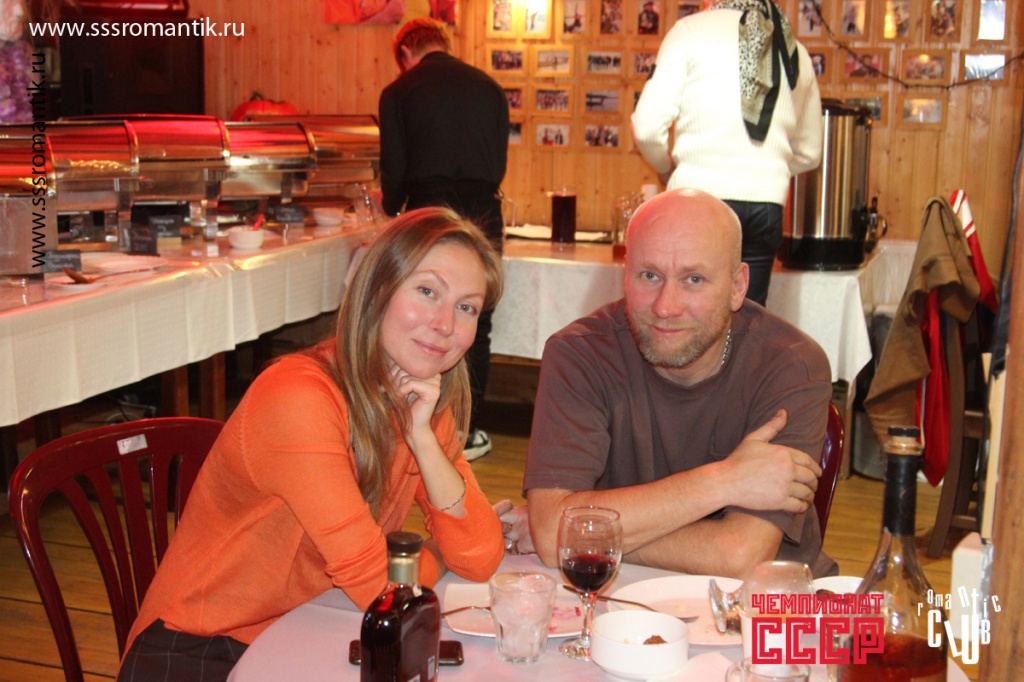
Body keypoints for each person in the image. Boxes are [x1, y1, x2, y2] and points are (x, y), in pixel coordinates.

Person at [117, 208, 505, 681]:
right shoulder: (298, 397)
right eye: (427, 291)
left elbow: (481, 556)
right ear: (376, 289)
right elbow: (380, 588)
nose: (445, 324)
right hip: (201, 649)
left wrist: (423, 439)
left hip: (307, 634)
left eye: (466, 307)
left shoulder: (419, 398)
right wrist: (433, 555)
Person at [500, 189, 836, 579]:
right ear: (625, 274)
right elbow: (551, 534)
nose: (665, 307)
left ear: (737, 286)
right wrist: (724, 480)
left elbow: (738, 556)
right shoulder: (579, 354)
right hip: (620, 599)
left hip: (767, 606)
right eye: (650, 275)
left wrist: (583, 533)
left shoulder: (791, 364)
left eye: (694, 279)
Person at [631, 0, 822, 306]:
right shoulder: (794, 49)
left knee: (684, 315)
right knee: (747, 318)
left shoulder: (690, 32)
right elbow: (810, 153)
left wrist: (665, 168)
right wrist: (767, 170)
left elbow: (647, 130)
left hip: (697, 198)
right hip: (766, 202)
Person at [379, 17, 510, 461]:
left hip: (428, 211)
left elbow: (394, 174)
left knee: (420, 314)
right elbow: (498, 165)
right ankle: (465, 432)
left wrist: (391, 207)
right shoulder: (490, 87)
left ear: (405, 53)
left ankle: (409, 420)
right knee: (473, 318)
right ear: (444, 43)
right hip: (484, 210)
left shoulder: (398, 91)